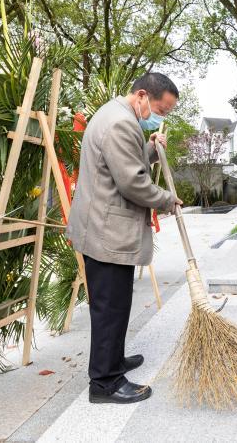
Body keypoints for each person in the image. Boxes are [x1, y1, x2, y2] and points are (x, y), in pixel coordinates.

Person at [66, 72, 183, 404]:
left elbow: (125, 161)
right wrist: (165, 200)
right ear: (142, 95)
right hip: (106, 232)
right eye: (161, 108)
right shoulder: (120, 123)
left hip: (108, 229)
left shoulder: (119, 117)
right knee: (109, 308)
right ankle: (104, 383)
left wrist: (151, 148)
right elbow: (131, 181)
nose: (161, 116)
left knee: (117, 304)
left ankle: (113, 360)